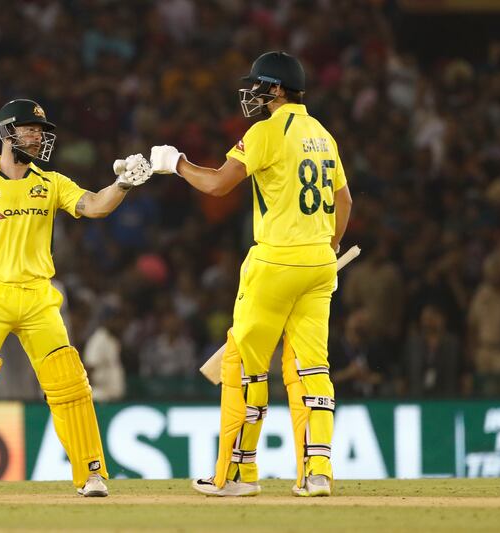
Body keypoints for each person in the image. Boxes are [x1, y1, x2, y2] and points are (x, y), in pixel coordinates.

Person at [0, 98, 152, 498]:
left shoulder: (51, 182)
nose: (38, 138)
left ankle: (91, 473)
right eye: (30, 130)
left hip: (39, 296)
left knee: (70, 382)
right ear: (7, 133)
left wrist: (122, 184)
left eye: (41, 131)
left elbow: (94, 205)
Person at [150, 51, 352, 497]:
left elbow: (218, 184)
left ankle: (236, 476)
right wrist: (328, 247)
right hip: (319, 265)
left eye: (259, 87)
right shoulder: (322, 134)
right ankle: (316, 472)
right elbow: (346, 202)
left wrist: (176, 164)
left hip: (275, 262)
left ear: (277, 89)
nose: (253, 95)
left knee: (244, 367)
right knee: (310, 368)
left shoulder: (264, 131)